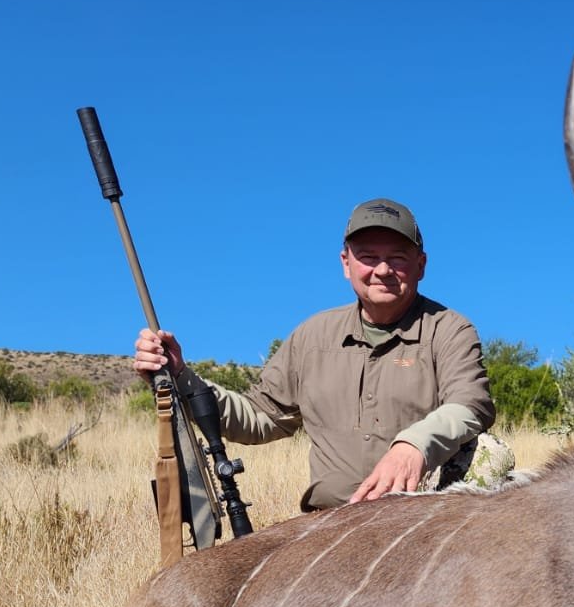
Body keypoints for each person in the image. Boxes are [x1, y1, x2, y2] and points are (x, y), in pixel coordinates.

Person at [134, 197, 509, 511]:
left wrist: (413, 447)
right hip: (331, 524)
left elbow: (470, 405)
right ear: (346, 264)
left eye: (397, 257)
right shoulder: (312, 336)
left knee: (489, 454)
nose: (382, 270)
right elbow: (260, 417)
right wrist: (182, 375)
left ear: (421, 266)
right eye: (367, 256)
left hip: (418, 516)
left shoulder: (449, 328)